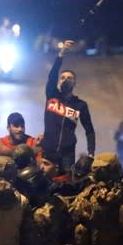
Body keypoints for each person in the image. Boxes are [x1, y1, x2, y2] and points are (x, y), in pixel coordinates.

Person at [41, 40, 95, 170]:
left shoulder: (80, 105)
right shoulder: (51, 95)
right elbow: (52, 75)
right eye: (63, 77)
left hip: (68, 153)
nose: (66, 79)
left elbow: (89, 130)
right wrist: (61, 53)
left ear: (75, 83)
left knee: (66, 184)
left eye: (69, 78)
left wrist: (91, 153)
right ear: (58, 82)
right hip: (48, 150)